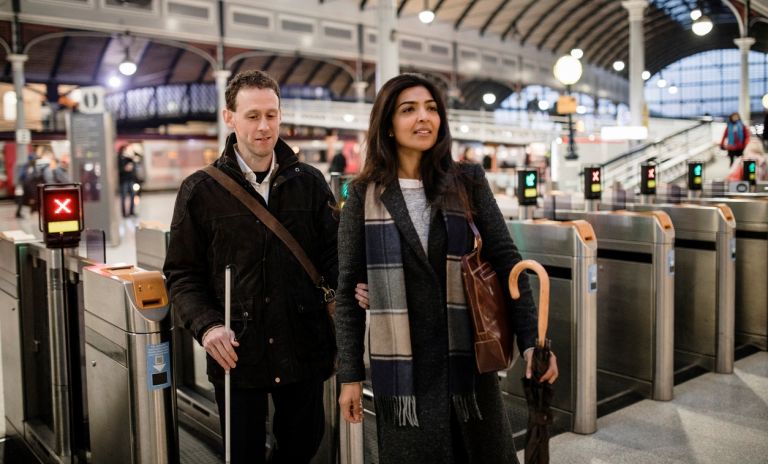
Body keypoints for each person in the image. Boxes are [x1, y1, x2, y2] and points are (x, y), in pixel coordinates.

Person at [335, 73, 558, 464]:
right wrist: (350, 375)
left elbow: (509, 263)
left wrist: (532, 343)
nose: (424, 118)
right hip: (405, 373)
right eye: (408, 110)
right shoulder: (364, 195)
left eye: (431, 108)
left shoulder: (466, 181)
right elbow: (347, 290)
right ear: (387, 123)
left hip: (469, 365)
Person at [163, 70, 338, 464]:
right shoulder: (200, 191)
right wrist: (207, 326)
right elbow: (181, 273)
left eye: (272, 115)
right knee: (241, 454)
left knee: (303, 444)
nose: (264, 127)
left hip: (302, 347)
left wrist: (347, 286)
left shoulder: (309, 182)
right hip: (237, 352)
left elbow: (332, 254)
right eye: (253, 115)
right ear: (230, 117)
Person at [117, 145, 137, 217]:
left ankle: (131, 212)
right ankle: (124, 213)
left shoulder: (127, 158)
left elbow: (133, 161)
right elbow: (119, 169)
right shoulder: (119, 158)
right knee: (124, 197)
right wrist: (125, 168)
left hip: (130, 179)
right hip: (123, 181)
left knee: (132, 195)